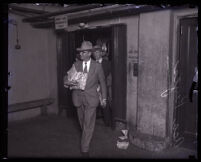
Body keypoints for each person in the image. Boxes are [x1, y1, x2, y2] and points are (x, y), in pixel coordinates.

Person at [66, 41, 107, 157]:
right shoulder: (76, 64)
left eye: (83, 52)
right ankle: (86, 139)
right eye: (80, 52)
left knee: (88, 123)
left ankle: (85, 149)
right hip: (78, 98)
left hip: (91, 99)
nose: (80, 55)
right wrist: (67, 81)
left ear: (89, 53)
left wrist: (104, 98)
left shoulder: (97, 66)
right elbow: (67, 76)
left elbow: (103, 82)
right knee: (82, 123)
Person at [92, 45, 113, 128]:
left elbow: (110, 77)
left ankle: (107, 123)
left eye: (97, 52)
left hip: (104, 87)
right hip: (93, 88)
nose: (95, 54)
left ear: (101, 53)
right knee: (93, 105)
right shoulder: (91, 63)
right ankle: (92, 123)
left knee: (105, 106)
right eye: (94, 52)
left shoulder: (107, 64)